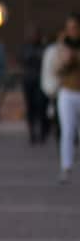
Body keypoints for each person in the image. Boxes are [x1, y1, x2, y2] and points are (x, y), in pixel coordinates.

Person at [55, 13, 80, 183]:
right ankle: (66, 167)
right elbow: (57, 68)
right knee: (67, 131)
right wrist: (65, 59)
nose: (72, 31)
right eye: (69, 27)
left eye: (75, 27)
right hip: (67, 91)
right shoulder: (62, 45)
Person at [20, 28, 49, 144]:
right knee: (30, 107)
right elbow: (22, 58)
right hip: (29, 81)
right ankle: (32, 132)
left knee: (41, 106)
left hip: (41, 81)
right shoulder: (26, 47)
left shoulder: (43, 47)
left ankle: (42, 131)